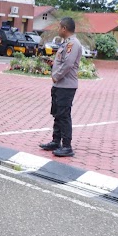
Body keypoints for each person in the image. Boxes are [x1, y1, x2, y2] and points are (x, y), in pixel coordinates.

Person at [39, 17, 82, 157]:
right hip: (59, 85)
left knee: (64, 115)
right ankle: (56, 141)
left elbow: (68, 64)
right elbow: (63, 61)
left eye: (59, 27)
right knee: (57, 114)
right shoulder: (65, 43)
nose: (58, 29)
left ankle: (67, 146)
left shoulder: (73, 44)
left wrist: (56, 75)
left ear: (64, 28)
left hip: (66, 86)